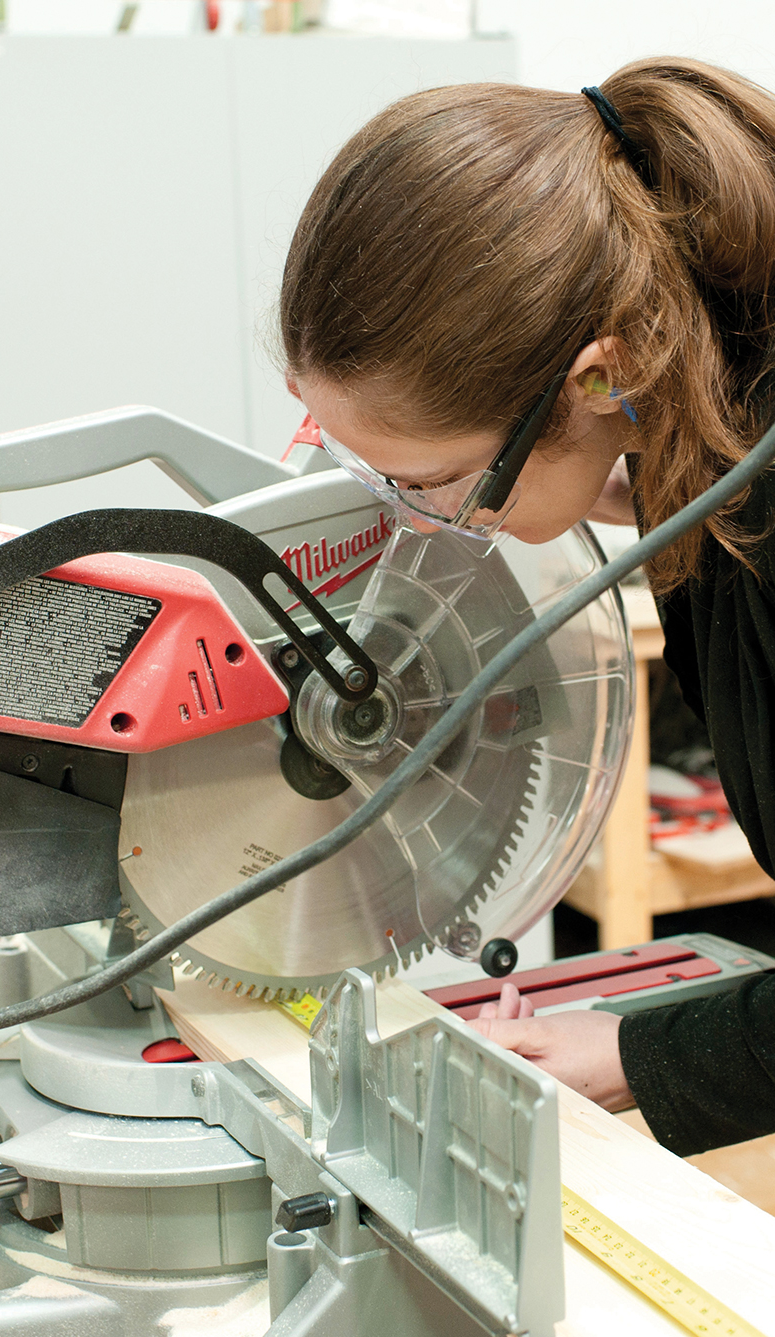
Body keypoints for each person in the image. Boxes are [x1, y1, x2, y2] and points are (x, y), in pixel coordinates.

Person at [279, 57, 775, 1158]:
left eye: (434, 483)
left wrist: (645, 1053)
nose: (429, 524)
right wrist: (633, 469)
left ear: (604, 373)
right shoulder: (706, 439)